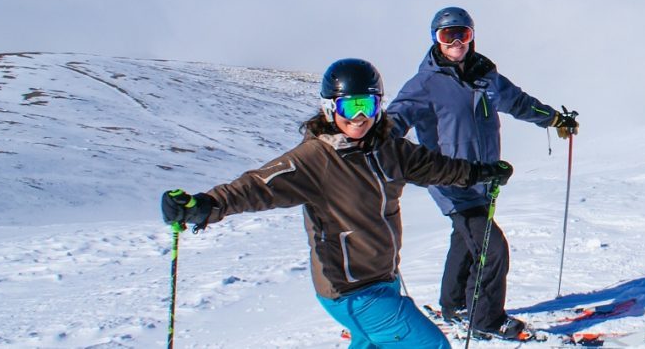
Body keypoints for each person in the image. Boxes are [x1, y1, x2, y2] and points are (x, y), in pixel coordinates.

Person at [159, 58, 514, 349]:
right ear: (330, 108)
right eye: (349, 107)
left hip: (383, 280)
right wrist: (204, 205)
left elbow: (437, 167)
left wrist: (480, 172)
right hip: (350, 290)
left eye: (367, 106)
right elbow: (255, 187)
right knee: (430, 346)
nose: (358, 119)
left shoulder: (389, 149)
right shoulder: (314, 160)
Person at [386, 6, 578, 341]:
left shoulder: (484, 76)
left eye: (464, 33)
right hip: (451, 180)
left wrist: (553, 119)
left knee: (465, 238)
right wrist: (376, 141)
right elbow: (397, 118)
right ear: (436, 40)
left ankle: (454, 304)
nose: (457, 40)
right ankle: (486, 319)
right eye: (449, 35)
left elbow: (519, 102)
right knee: (492, 248)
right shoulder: (425, 84)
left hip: (484, 179)